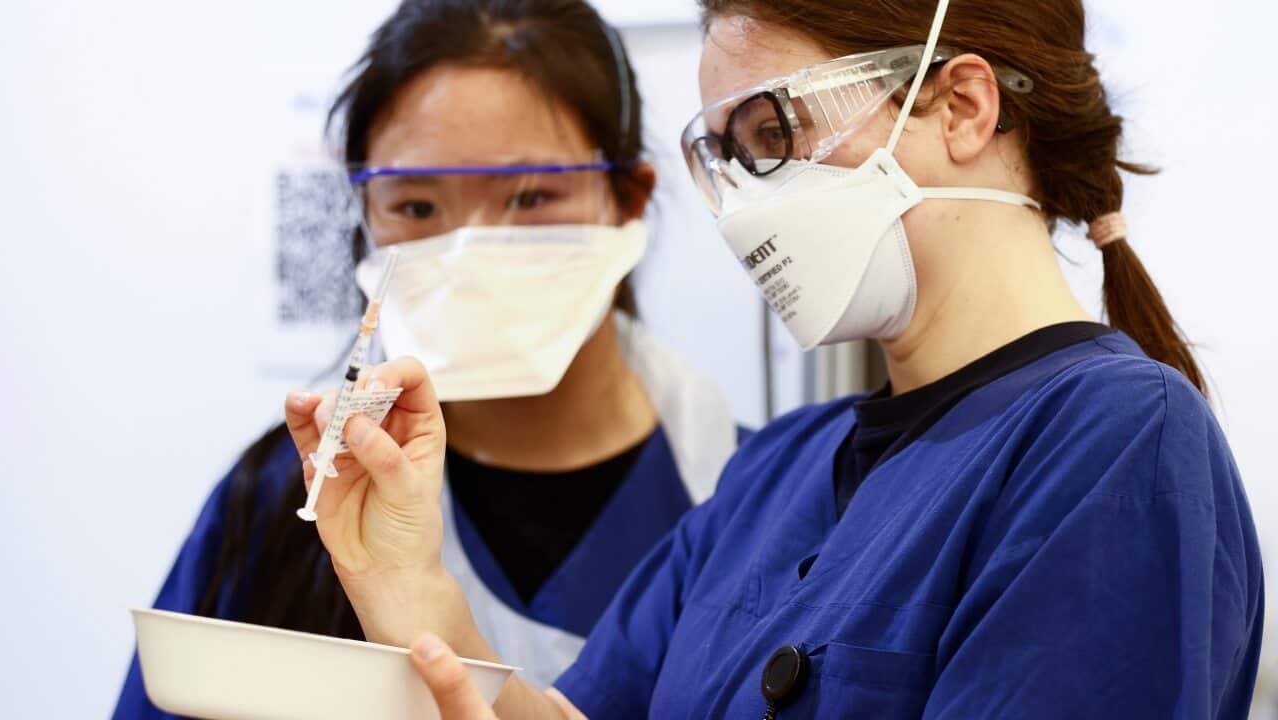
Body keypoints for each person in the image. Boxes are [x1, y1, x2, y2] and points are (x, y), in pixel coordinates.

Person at [286, 0, 1264, 717]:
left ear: (961, 106)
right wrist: (414, 593)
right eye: (720, 156)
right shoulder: (777, 469)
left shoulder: (1109, 443)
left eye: (771, 135)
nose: (741, 206)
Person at [113, 0, 748, 716]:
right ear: (366, 218)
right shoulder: (287, 501)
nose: (468, 249)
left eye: (531, 196)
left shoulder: (758, 503)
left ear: (628, 198)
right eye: (417, 208)